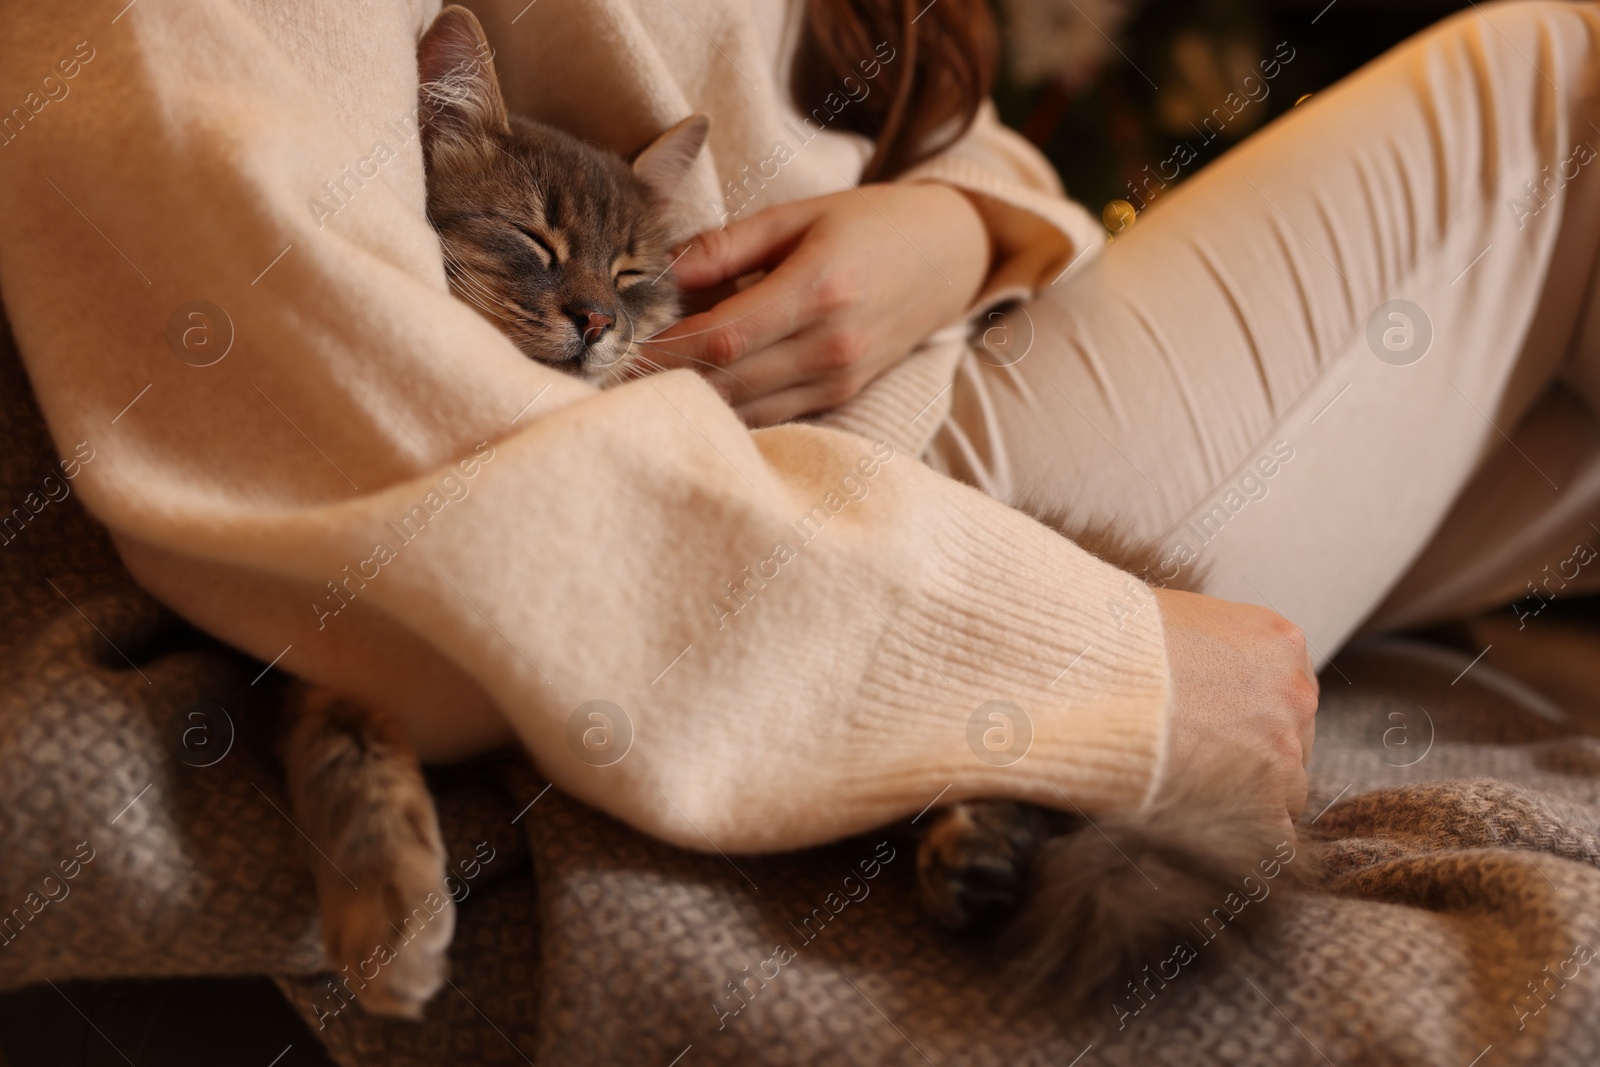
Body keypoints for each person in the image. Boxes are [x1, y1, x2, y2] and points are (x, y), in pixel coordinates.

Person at [1, 0, 1595, 854]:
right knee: (1565, 82)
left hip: (965, 351)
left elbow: (966, 149)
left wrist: (959, 228)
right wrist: (1069, 667)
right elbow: (328, 422)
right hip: (864, 494)